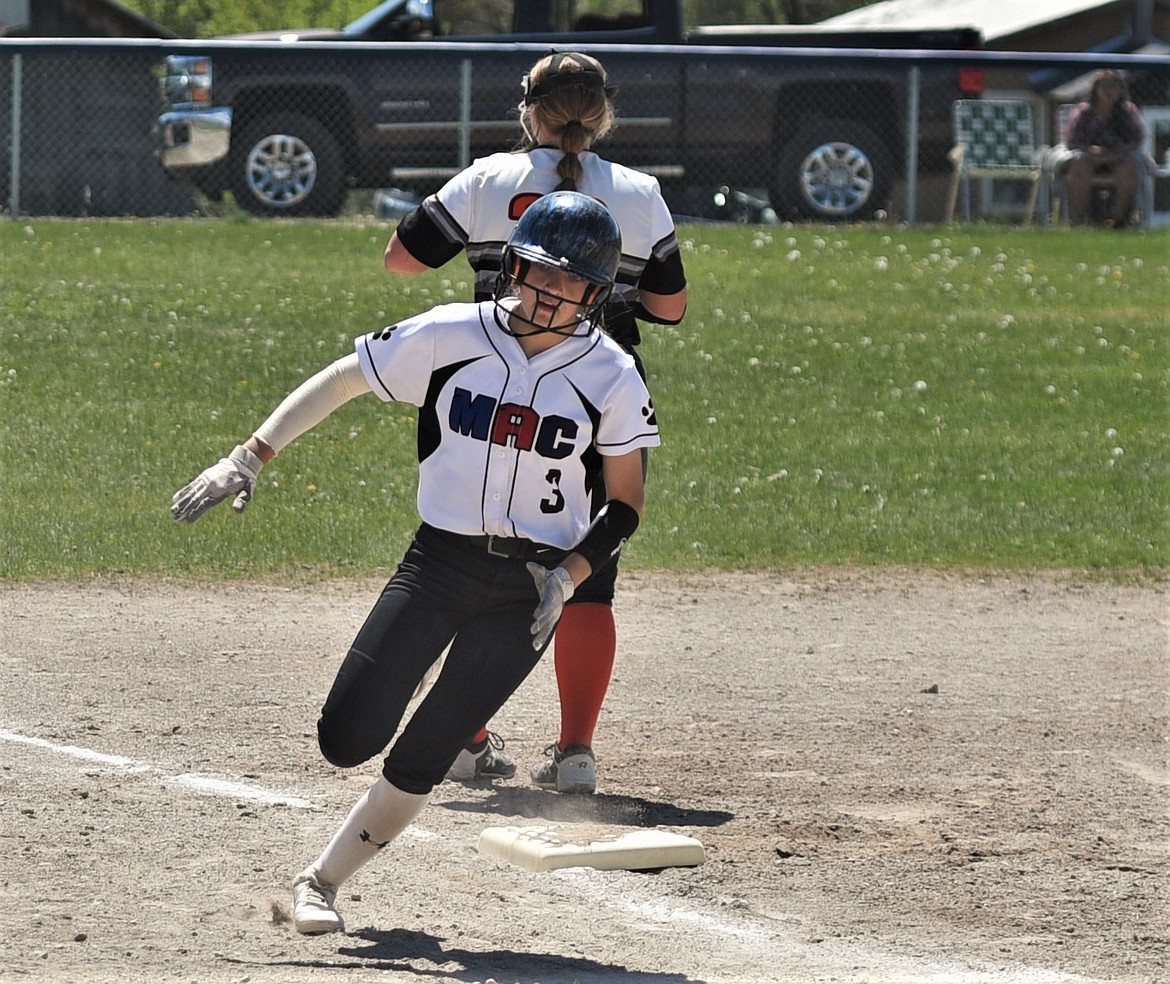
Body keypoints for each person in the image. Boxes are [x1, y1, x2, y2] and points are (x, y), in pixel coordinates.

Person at [171, 192, 659, 934]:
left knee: (427, 751)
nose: (544, 291)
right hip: (440, 564)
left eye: (565, 283)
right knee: (347, 737)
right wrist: (248, 457)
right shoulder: (454, 333)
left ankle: (320, 883)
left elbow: (624, 505)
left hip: (528, 589)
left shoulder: (613, 375)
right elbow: (343, 378)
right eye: (533, 271)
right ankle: (416, 665)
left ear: (594, 296)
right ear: (511, 266)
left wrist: (568, 577)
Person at [384, 50, 688, 794]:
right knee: (589, 576)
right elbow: (671, 308)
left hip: (488, 383)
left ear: (530, 111)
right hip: (596, 395)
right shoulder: (640, 192)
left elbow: (401, 260)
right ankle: (576, 752)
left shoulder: (488, 177)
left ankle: (467, 737)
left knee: (463, 557)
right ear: (604, 114)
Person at [1060, 69, 1148, 227]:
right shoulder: (1084, 112)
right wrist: (1091, 149)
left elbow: (1137, 138)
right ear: (1096, 90)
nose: (1109, 92)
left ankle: (1117, 221)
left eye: (1114, 87)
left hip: (1118, 158)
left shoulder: (1127, 112)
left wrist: (1119, 150)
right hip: (1089, 157)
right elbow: (1071, 139)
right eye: (1105, 87)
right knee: (1079, 168)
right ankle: (1081, 220)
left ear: (1121, 91)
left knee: (1128, 168)